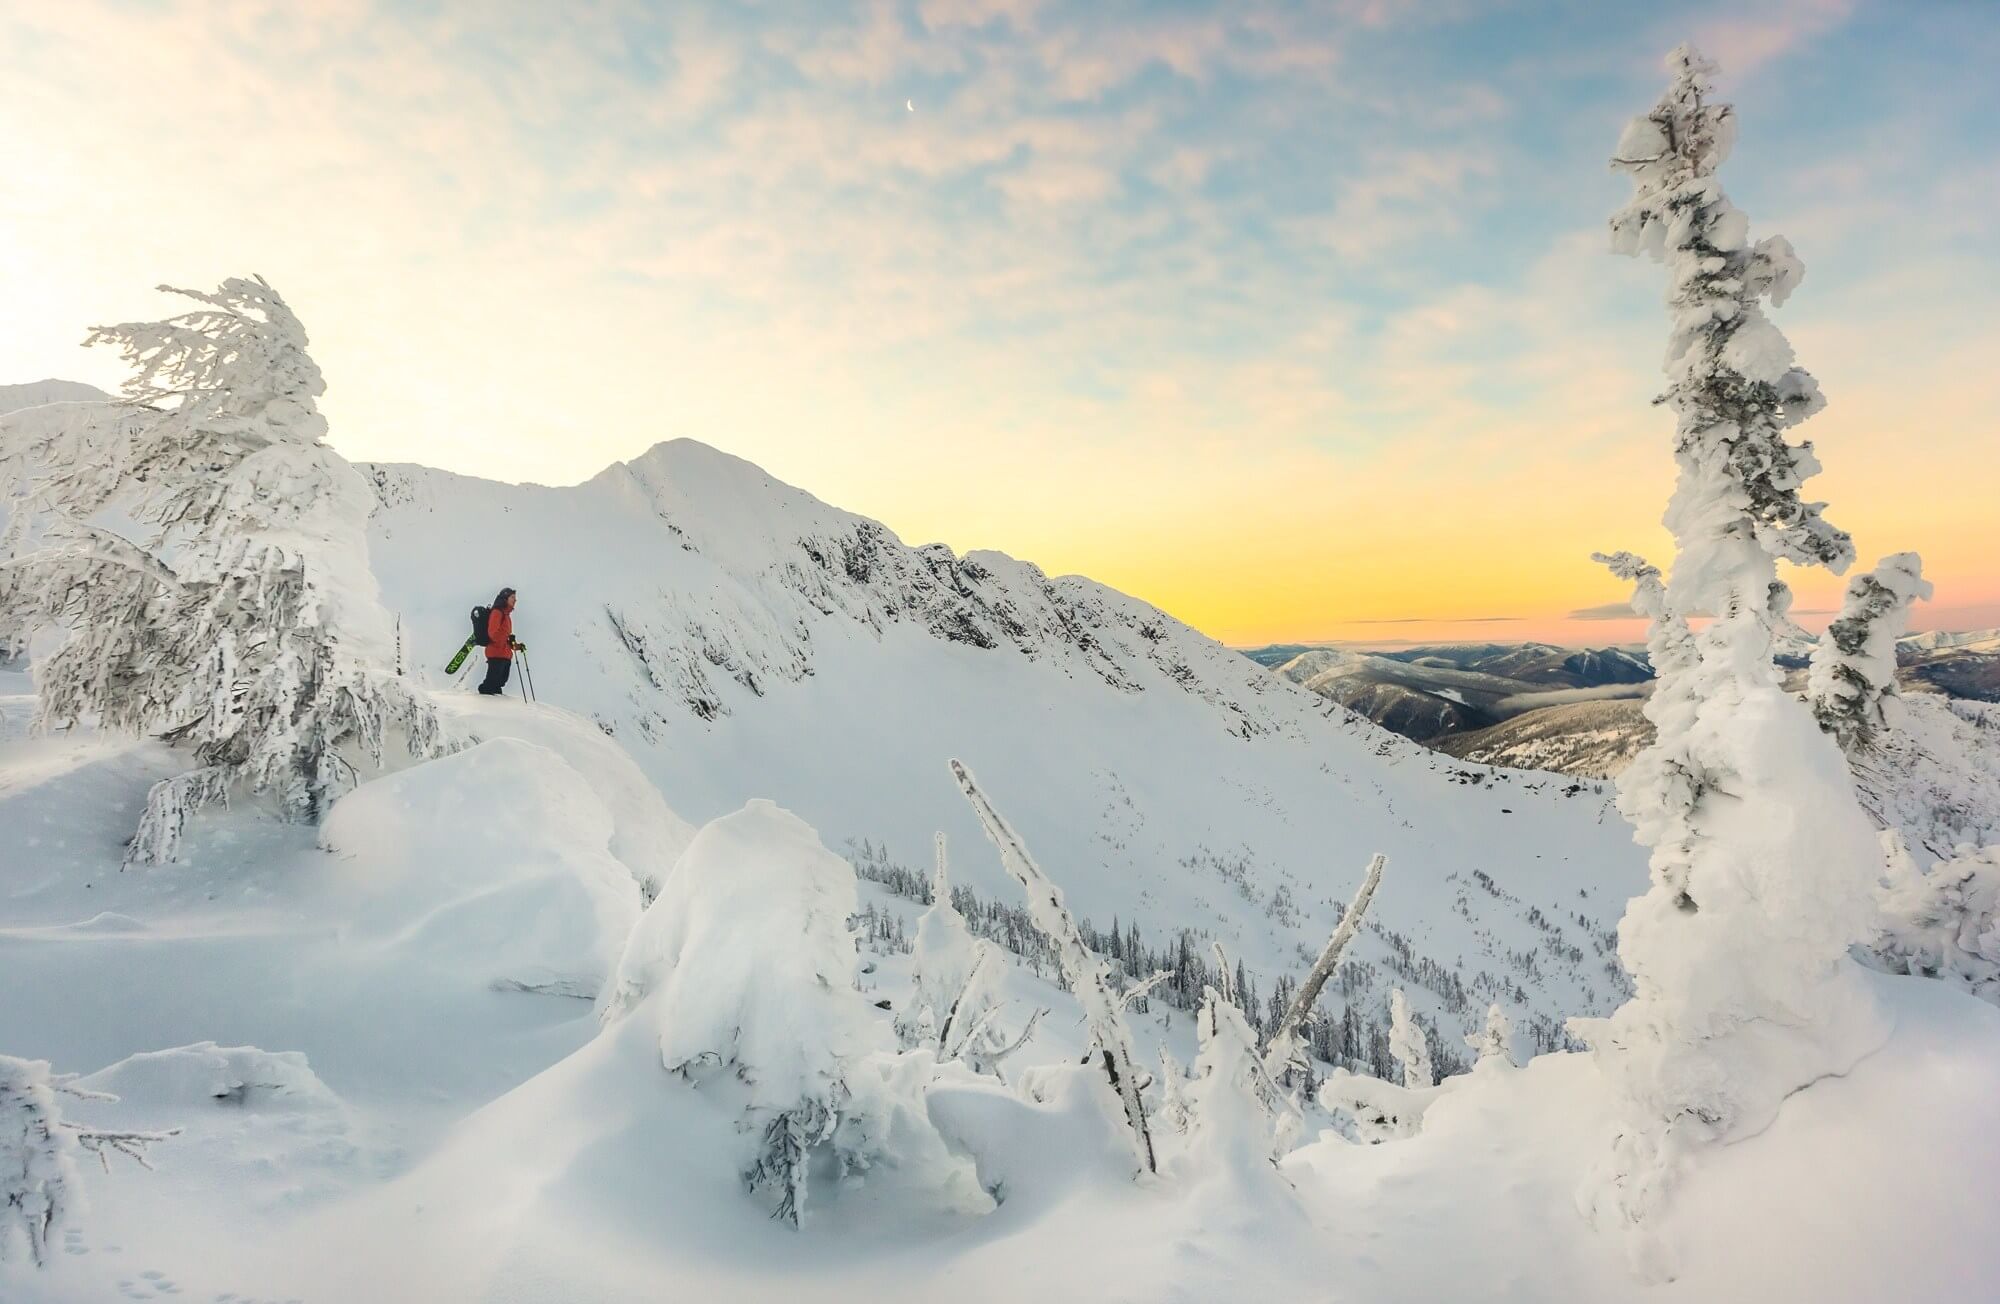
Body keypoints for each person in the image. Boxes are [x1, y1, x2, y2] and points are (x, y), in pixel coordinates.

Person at [478, 587, 525, 696]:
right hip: (496, 653)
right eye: (512, 597)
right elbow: (493, 633)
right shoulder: (497, 612)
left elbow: (505, 638)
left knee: (499, 683)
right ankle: (483, 704)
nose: (515, 600)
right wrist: (508, 640)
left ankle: (495, 707)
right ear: (505, 598)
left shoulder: (506, 616)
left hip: (504, 654)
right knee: (490, 685)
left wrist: (517, 646)